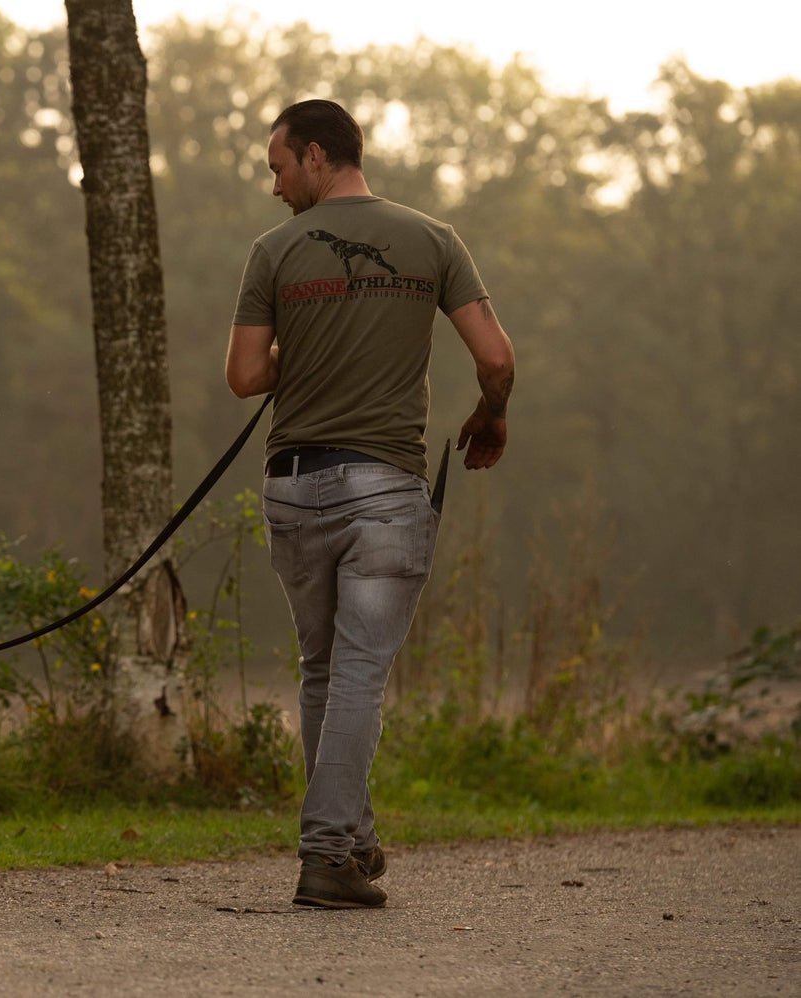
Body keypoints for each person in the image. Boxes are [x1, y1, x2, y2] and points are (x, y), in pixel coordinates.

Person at [224, 99, 515, 908]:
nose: (275, 186)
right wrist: (492, 416)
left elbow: (245, 376)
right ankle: (327, 855)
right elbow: (496, 357)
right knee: (356, 674)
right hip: (384, 488)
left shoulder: (273, 251)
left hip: (292, 486)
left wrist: (306, 345)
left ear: (317, 156)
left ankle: (350, 842)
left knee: (324, 672)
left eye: (279, 167)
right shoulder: (434, 240)